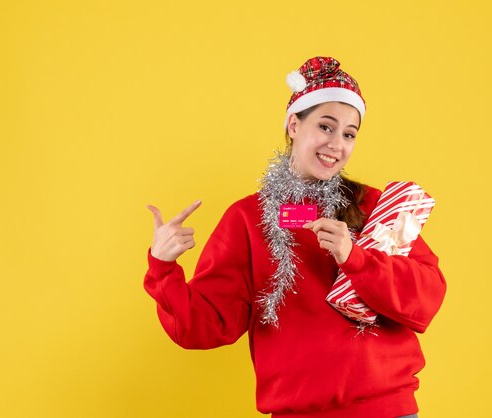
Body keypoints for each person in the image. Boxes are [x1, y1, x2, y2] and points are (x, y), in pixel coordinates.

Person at [144, 56, 446, 418]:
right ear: (293, 125)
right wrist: (163, 268)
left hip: (387, 410)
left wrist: (356, 258)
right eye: (325, 126)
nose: (337, 144)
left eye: (349, 133)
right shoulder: (247, 219)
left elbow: (426, 296)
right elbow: (206, 326)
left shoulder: (375, 206)